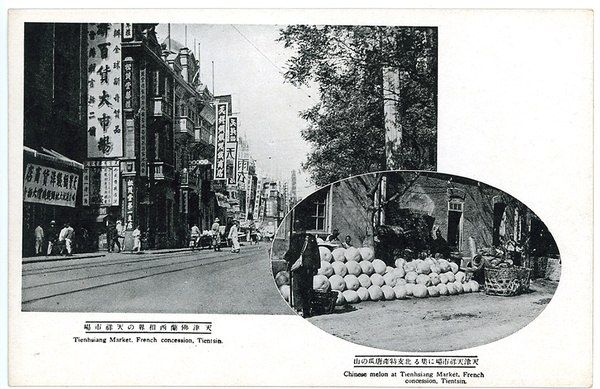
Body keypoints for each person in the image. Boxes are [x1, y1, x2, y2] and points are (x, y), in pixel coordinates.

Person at [284, 219, 321, 318]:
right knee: (308, 288)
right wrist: (316, 267)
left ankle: (300, 309)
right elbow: (316, 254)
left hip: (299, 268)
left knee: (298, 288)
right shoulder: (311, 238)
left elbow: (292, 252)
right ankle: (307, 309)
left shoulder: (295, 238)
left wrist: (287, 260)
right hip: (309, 267)